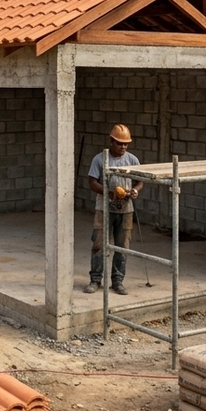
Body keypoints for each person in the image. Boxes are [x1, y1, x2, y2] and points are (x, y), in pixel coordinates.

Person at [83, 124, 142, 295]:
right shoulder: (100, 159)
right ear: (111, 141)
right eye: (119, 143)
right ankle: (95, 279)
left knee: (122, 246)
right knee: (99, 245)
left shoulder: (132, 160)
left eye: (126, 144)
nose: (123, 147)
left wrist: (135, 190)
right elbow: (92, 182)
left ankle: (117, 281)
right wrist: (107, 193)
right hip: (104, 208)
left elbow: (140, 180)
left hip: (126, 210)